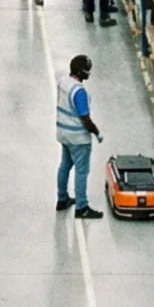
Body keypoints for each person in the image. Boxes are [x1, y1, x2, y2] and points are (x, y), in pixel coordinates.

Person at [54, 54, 102, 218]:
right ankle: (82, 207)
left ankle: (62, 199)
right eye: (87, 71)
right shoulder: (79, 91)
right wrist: (96, 132)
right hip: (78, 138)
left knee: (65, 165)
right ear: (81, 72)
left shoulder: (62, 82)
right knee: (82, 172)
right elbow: (85, 117)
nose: (89, 73)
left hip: (63, 134)